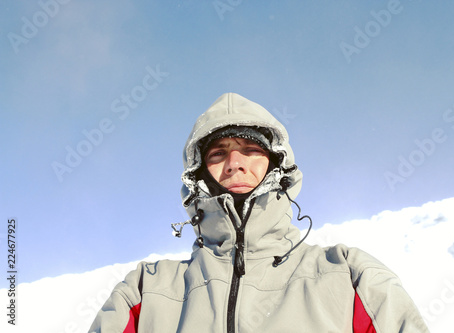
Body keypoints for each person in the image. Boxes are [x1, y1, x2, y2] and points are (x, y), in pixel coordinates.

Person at [89, 93, 429, 332]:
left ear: (276, 164)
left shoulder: (348, 275)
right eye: (218, 154)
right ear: (199, 173)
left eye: (251, 149)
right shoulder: (147, 291)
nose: (235, 164)